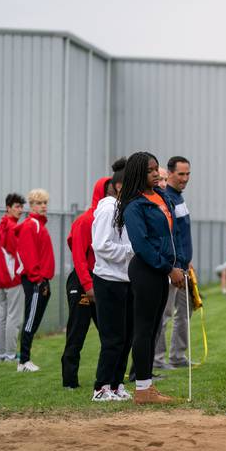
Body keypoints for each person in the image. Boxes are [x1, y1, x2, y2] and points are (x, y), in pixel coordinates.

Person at [117, 151, 185, 404]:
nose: (156, 173)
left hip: (162, 270)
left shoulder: (161, 197)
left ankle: (147, 386)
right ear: (138, 174)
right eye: (150, 170)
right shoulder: (134, 205)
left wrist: (176, 265)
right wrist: (168, 269)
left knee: (154, 328)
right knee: (144, 330)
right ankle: (143, 389)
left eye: (157, 168)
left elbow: (171, 237)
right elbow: (141, 244)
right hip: (147, 270)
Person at [91, 158, 134, 401]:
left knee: (126, 336)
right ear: (119, 186)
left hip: (124, 280)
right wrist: (130, 250)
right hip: (108, 281)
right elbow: (101, 245)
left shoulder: (122, 208)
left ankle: (116, 384)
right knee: (113, 338)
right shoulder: (108, 209)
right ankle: (101, 386)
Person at [60, 177, 109, 388]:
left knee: (109, 334)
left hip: (101, 281)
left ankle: (107, 378)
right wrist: (88, 286)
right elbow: (79, 257)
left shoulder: (109, 218)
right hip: (82, 283)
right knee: (76, 333)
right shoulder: (84, 221)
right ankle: (70, 381)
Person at [154, 156, 195, 370]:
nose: (185, 178)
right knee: (165, 314)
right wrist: (175, 267)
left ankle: (178, 356)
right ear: (170, 174)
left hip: (184, 266)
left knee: (186, 311)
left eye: (188, 174)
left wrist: (188, 263)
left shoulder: (179, 197)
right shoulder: (166, 199)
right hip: (173, 268)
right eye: (181, 174)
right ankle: (158, 360)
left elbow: (183, 235)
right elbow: (171, 237)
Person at [15, 188, 55, 372]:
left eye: (45, 202)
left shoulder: (39, 225)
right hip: (35, 281)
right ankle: (23, 361)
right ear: (31, 206)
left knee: (34, 319)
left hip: (41, 279)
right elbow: (28, 255)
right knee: (31, 320)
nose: (43, 206)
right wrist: (38, 279)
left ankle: (24, 360)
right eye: (39, 203)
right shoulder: (31, 225)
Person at [0, 193, 25, 362]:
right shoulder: (12, 227)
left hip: (0, 278)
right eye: (17, 206)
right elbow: (17, 253)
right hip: (12, 278)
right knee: (14, 317)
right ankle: (11, 354)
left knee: (2, 316)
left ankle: (1, 354)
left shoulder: (2, 225)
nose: (20, 210)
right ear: (8, 208)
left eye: (21, 206)